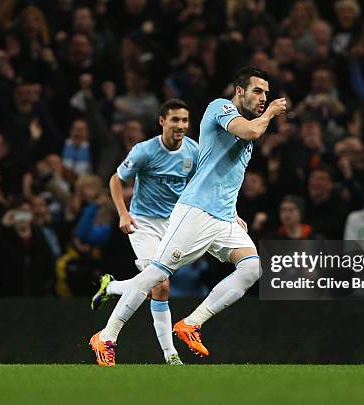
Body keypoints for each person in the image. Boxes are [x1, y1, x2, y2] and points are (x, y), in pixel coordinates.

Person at [89, 66, 287, 366]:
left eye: (267, 94)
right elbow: (252, 131)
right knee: (157, 278)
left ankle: (192, 323)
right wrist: (271, 112)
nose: (263, 97)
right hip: (194, 212)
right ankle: (106, 336)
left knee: (252, 268)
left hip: (221, 217)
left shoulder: (212, 139)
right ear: (239, 91)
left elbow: (221, 174)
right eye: (258, 91)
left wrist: (233, 213)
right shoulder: (220, 108)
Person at [91, 99, 198, 365]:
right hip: (143, 223)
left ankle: (112, 286)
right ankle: (169, 354)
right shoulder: (145, 151)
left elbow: (203, 185)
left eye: (184, 120)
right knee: (160, 283)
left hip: (175, 225)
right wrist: (123, 213)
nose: (180, 125)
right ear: (162, 121)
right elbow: (116, 179)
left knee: (159, 290)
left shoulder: (194, 151)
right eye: (174, 120)